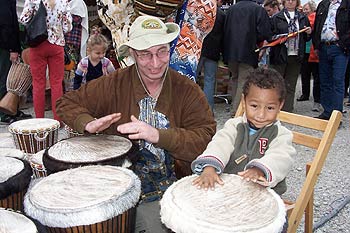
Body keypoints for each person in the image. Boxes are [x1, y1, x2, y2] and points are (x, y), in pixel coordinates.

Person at [56, 15, 216, 232]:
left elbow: (205, 136)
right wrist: (87, 123)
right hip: (121, 181)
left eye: (162, 51)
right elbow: (66, 103)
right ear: (132, 54)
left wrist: (159, 136)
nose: (155, 63)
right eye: (145, 55)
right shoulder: (113, 83)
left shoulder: (186, 89)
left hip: (174, 181)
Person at [191, 67, 295, 196]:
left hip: (264, 193)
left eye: (270, 108)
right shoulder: (234, 126)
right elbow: (220, 144)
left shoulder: (281, 135)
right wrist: (210, 167)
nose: (261, 114)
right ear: (244, 101)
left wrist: (259, 169)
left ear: (280, 105)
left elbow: (280, 157)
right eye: (254, 106)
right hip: (230, 188)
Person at [20, 0, 72, 122]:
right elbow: (67, 27)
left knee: (38, 83)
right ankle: (57, 120)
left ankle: (39, 120)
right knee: (57, 83)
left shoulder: (33, 0)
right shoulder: (63, 2)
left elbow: (23, 19)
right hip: (56, 44)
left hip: (37, 43)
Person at [223, 0, 272, 115]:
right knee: (244, 80)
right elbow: (264, 32)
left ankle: (234, 107)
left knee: (235, 78)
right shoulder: (258, 9)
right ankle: (237, 111)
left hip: (230, 50)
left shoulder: (231, 9)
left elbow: (225, 29)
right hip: (248, 50)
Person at [269, 0, 312, 112]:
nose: (290, 1)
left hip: (296, 55)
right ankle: (273, 109)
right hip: (280, 55)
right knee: (276, 84)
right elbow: (270, 36)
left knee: (290, 85)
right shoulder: (276, 17)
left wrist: (308, 32)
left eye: (293, 0)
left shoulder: (302, 18)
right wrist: (281, 37)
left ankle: (287, 110)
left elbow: (307, 38)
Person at [312, 0, 350, 120]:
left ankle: (336, 116)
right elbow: (317, 26)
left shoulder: (346, 4)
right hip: (323, 47)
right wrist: (316, 45)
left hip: (339, 48)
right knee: (325, 81)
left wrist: (344, 43)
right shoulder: (323, 4)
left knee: (338, 82)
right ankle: (327, 112)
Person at [0, 0, 32, 124]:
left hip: (5, 44)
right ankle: (4, 112)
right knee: (5, 79)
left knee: (7, 78)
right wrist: (13, 48)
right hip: (4, 46)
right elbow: (6, 24)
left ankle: (12, 110)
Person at [196, 0, 225, 111]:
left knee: (191, 78)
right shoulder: (221, 14)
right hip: (213, 50)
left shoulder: (199, 10)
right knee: (209, 80)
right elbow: (223, 34)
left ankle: (188, 107)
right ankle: (208, 110)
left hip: (198, 48)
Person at [297, 1, 321, 112]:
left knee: (314, 75)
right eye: (304, 9)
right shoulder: (302, 19)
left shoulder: (313, 18)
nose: (305, 11)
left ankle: (310, 95)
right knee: (305, 74)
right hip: (305, 50)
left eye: (307, 9)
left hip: (313, 50)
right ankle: (305, 93)